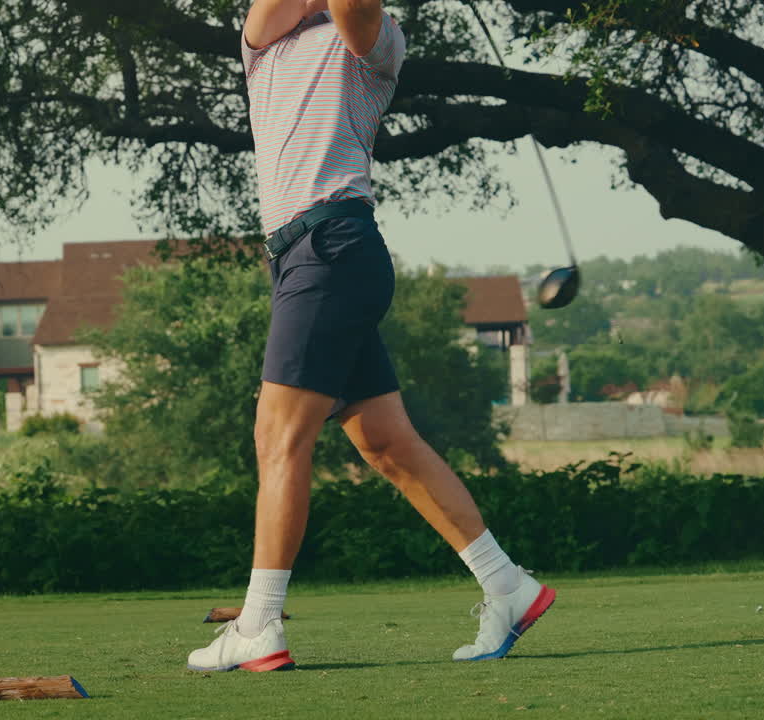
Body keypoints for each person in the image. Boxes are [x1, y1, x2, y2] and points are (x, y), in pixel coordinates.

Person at [186, 0, 556, 673]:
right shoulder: (261, 43)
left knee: (278, 438)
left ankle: (260, 624)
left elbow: (352, 9)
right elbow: (269, 12)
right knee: (387, 443)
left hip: (333, 245)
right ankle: (508, 585)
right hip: (306, 259)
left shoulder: (378, 43)